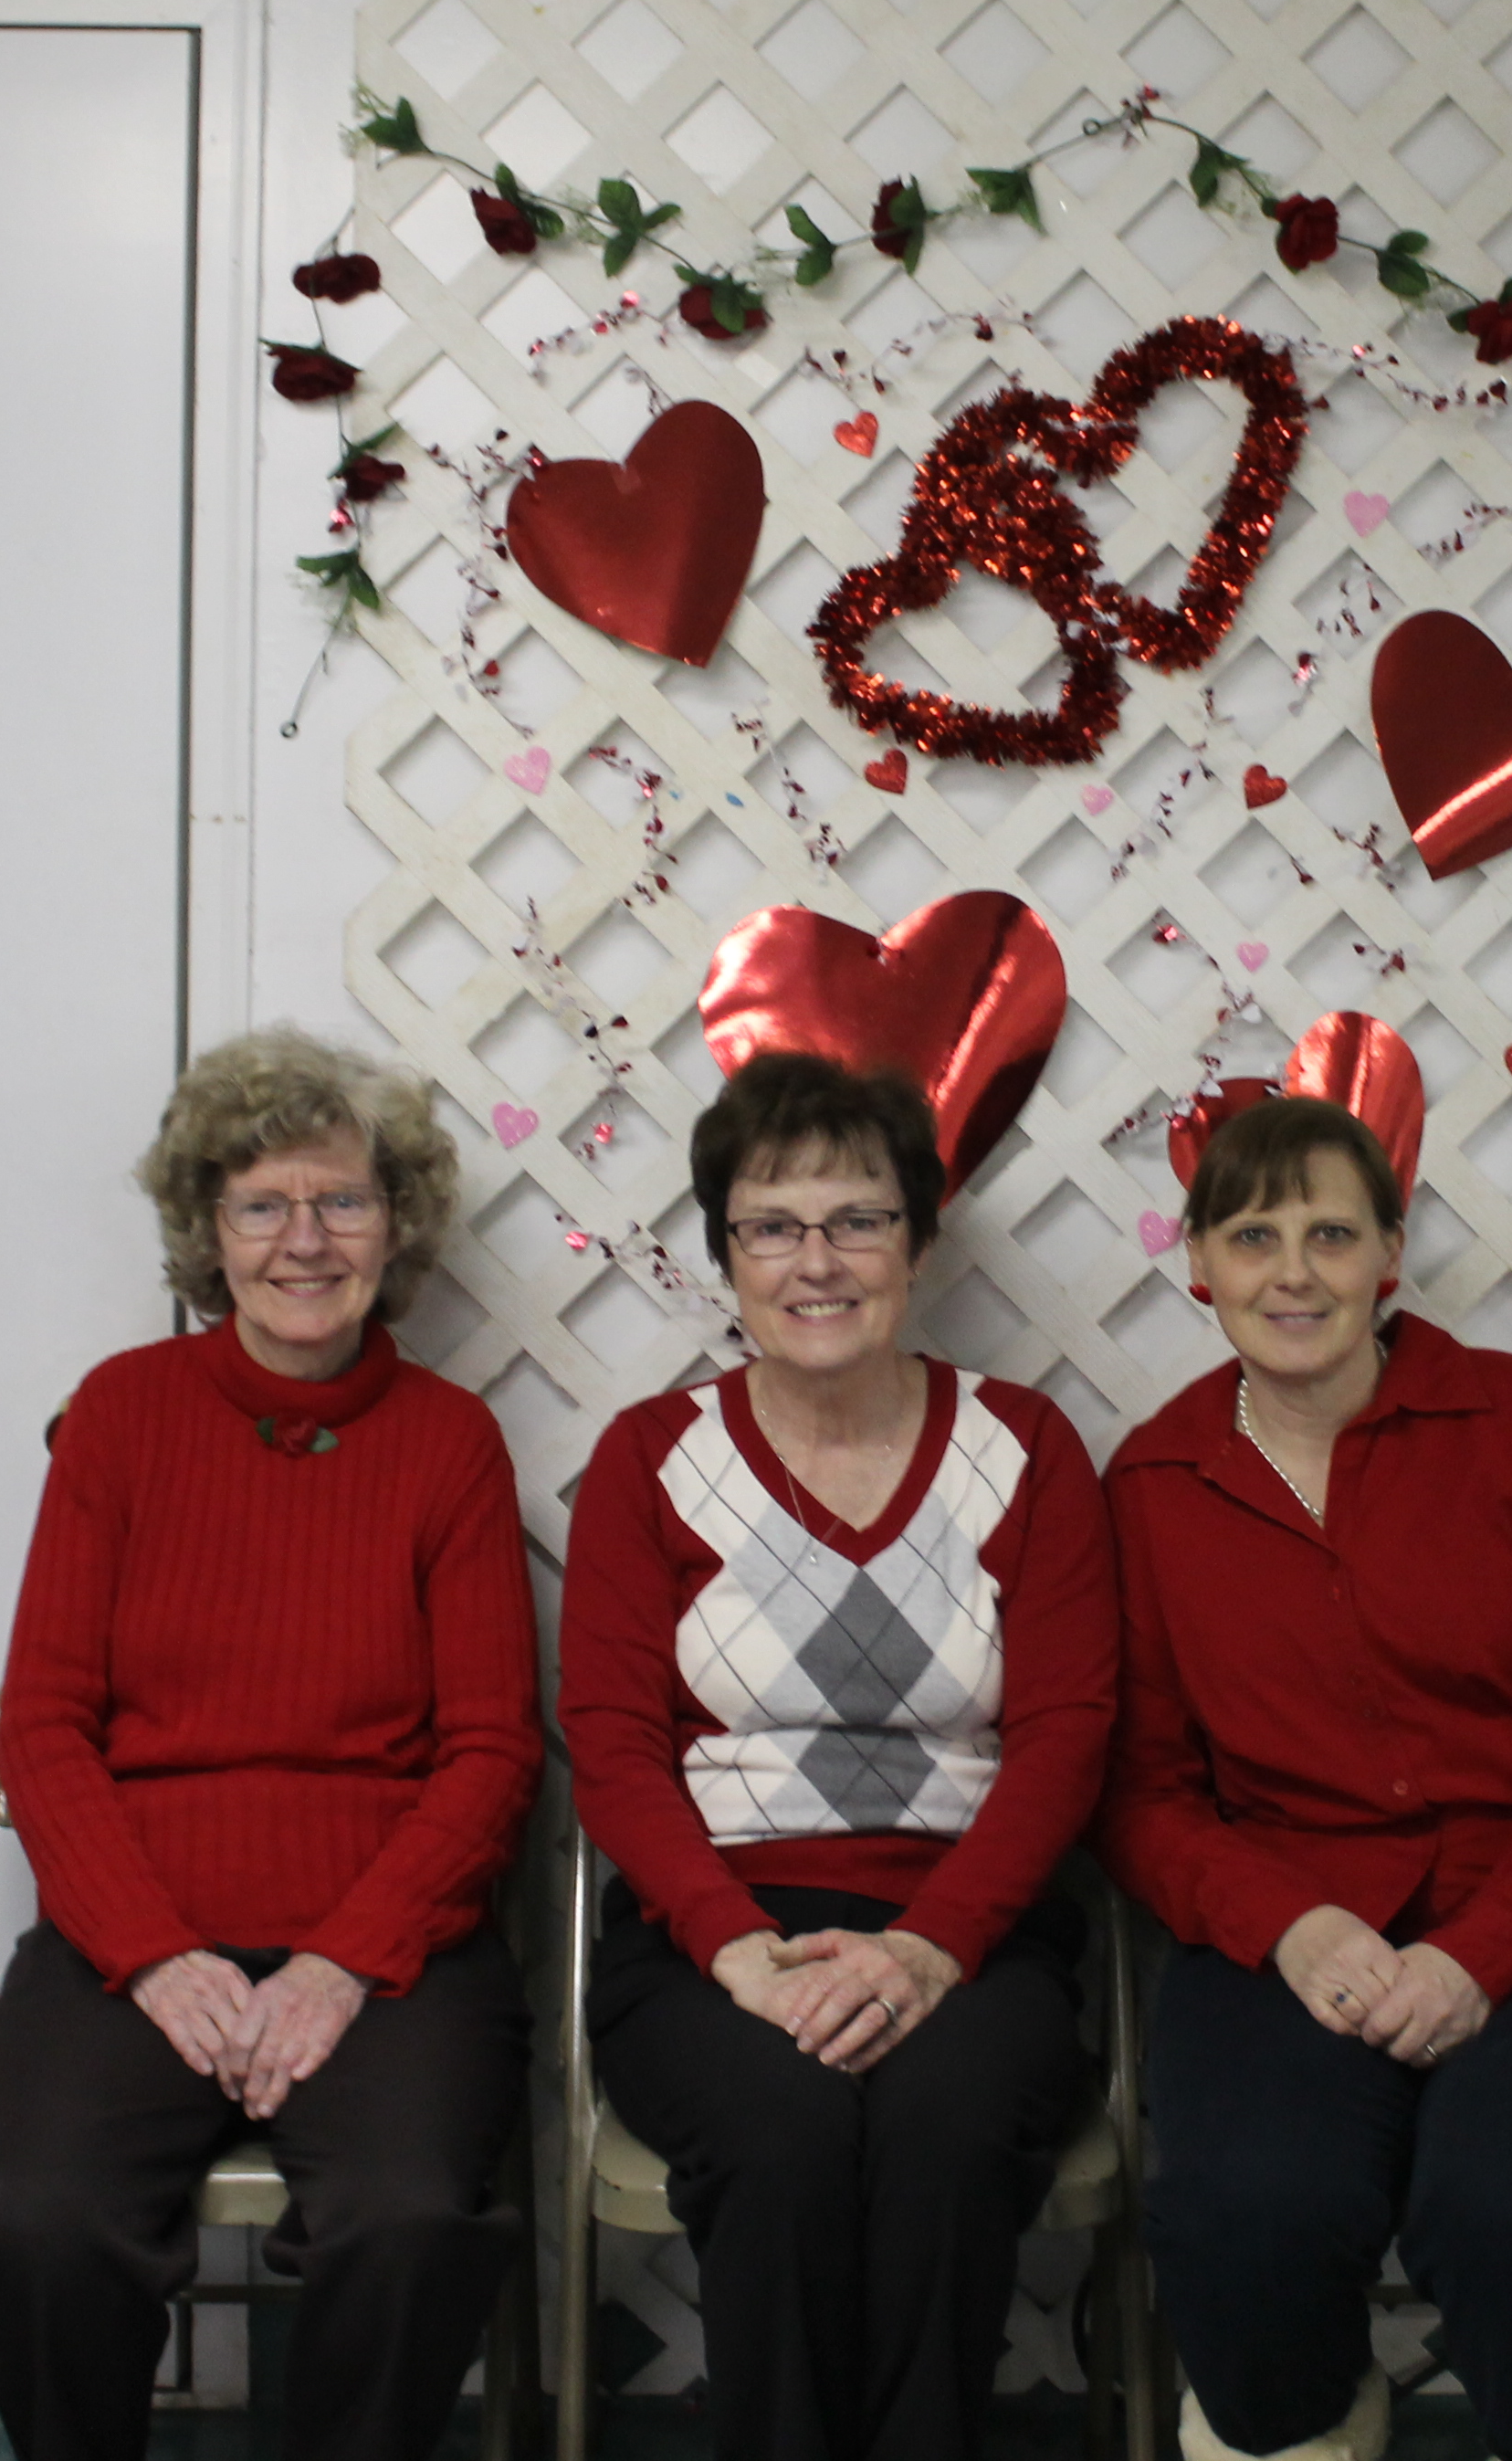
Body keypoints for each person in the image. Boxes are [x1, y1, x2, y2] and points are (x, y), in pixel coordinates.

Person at [1097, 1093, 1512, 2461]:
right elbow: (1141, 1794)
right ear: (1198, 1263)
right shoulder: (1153, 1482)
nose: (1294, 1272)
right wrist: (1288, 1926)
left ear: (1390, 1251)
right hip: (1294, 1934)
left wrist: (1478, 1956)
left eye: (1332, 1233)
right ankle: (1313, 2419)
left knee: (1507, 2209)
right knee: (1243, 2214)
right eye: (1253, 1236)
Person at [0, 1027, 541, 2461]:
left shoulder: (451, 1443)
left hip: (389, 1953)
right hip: (137, 1934)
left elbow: (491, 1754)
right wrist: (154, 1956)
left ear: (395, 1224)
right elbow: (45, 1724)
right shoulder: (120, 1417)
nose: (304, 1240)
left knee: (410, 2223)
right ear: (207, 1233)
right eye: (262, 1204)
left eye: (342, 1201)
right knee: (43, 2229)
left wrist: (343, 1964)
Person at [561, 1051, 1119, 2461]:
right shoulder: (651, 1458)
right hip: (710, 1936)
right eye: (772, 1225)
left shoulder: (1025, 1448)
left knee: (945, 2135)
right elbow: (614, 1748)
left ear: (919, 1244)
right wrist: (738, 1950)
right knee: (783, 2133)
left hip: (971, 1931)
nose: (816, 1261)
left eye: (858, 1219)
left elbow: (1065, 1739)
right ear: (725, 1255)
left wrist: (932, 1948)